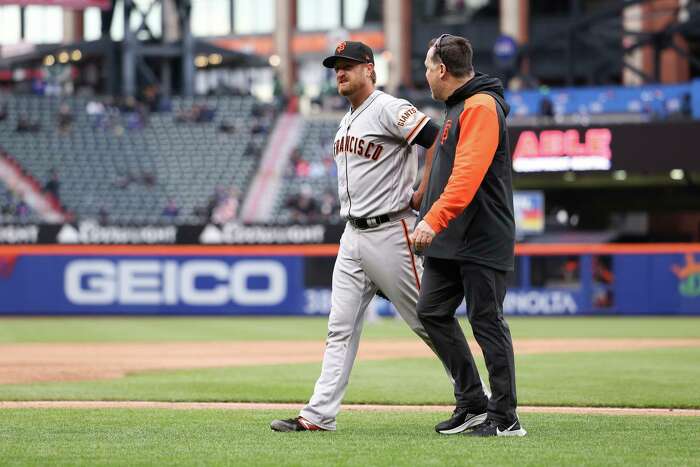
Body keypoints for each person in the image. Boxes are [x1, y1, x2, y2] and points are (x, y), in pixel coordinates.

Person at [270, 41, 460, 432]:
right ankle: (319, 415)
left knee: (429, 321)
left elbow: (439, 140)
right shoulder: (347, 120)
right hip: (353, 235)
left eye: (348, 65)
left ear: (369, 69)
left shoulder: (389, 107)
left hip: (392, 230)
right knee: (339, 327)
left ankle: (476, 399)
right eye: (336, 66)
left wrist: (424, 191)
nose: (340, 72)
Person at [410, 34, 526, 437]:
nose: (425, 75)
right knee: (431, 312)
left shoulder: (480, 106)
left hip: (479, 235)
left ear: (442, 69)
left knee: (486, 321)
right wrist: (422, 196)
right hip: (452, 237)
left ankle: (505, 416)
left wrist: (432, 219)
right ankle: (474, 404)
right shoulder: (459, 105)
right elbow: (446, 164)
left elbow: (467, 177)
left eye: (427, 68)